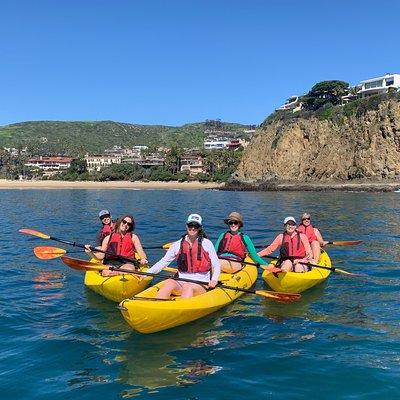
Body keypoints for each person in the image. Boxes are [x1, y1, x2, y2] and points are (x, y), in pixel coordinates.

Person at [146, 213, 220, 299]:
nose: (192, 228)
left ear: (200, 228)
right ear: (186, 226)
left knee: (188, 286)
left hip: (201, 283)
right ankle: (156, 305)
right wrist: (147, 273)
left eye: (196, 226)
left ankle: (181, 309)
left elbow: (216, 264)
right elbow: (163, 262)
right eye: (190, 225)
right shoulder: (177, 244)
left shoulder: (207, 243)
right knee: (169, 282)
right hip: (181, 282)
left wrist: (214, 279)